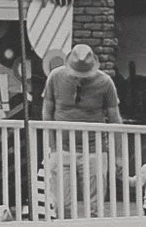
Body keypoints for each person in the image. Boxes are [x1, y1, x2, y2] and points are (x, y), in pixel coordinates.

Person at [43, 44, 119, 217]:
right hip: (62, 148)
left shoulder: (105, 82)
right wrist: (52, 146)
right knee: (62, 203)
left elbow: (115, 117)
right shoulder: (55, 77)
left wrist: (117, 154)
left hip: (94, 149)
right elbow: (47, 110)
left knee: (96, 204)